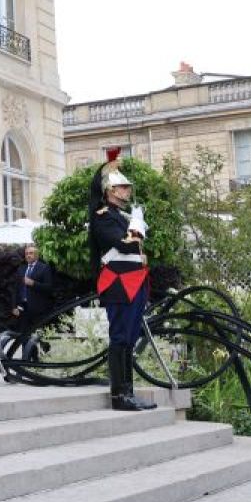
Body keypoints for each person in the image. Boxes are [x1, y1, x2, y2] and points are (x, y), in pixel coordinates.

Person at [89, 147, 156, 412]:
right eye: (123, 187)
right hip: (118, 282)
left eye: (127, 187)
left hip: (134, 281)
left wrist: (135, 221)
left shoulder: (121, 216)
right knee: (120, 337)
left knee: (130, 337)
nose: (128, 190)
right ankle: (120, 395)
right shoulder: (103, 217)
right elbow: (125, 245)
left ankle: (128, 391)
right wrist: (137, 225)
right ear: (110, 191)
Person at [12, 244, 54, 332]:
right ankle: (25, 346)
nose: (28, 255)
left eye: (31, 253)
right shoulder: (21, 269)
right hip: (22, 309)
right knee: (23, 336)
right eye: (26, 253)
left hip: (38, 310)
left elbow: (49, 288)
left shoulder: (44, 268)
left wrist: (33, 283)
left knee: (39, 336)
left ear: (37, 255)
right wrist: (14, 306)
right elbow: (16, 289)